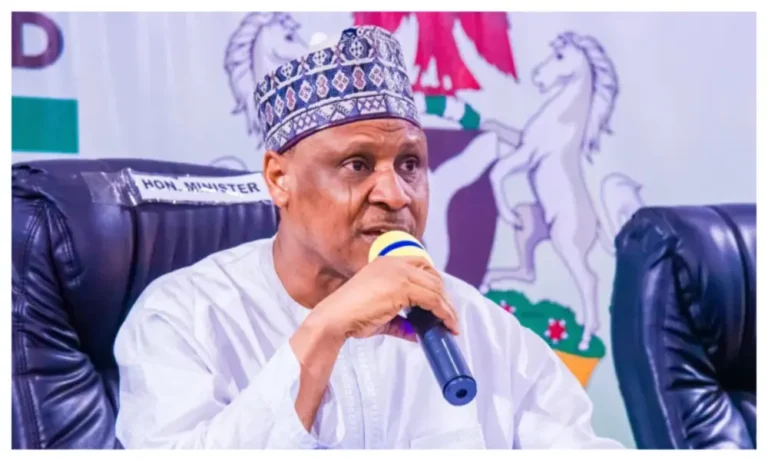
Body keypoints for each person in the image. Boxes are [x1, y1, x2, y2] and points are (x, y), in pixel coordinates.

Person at [114, 25, 623, 449]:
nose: (397, 195)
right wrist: (325, 330)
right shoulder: (185, 319)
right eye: (357, 164)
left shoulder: (484, 330)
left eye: (410, 164)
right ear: (279, 179)